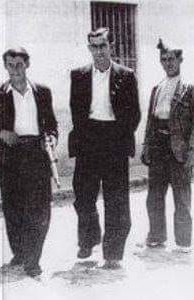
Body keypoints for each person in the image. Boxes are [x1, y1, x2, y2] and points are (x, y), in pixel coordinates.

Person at [0, 47, 58, 278]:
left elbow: (51, 124)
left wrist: (51, 138)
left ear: (27, 65)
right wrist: (0, 133)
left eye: (19, 65)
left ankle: (34, 259)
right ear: (5, 66)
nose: (15, 70)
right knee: (13, 209)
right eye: (10, 65)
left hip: (36, 153)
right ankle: (21, 253)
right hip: (10, 155)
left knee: (40, 209)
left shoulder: (42, 92)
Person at [68, 28, 141, 269]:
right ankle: (88, 239)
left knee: (116, 199)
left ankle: (113, 252)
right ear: (89, 48)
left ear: (111, 47)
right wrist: (82, 138)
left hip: (115, 140)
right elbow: (76, 111)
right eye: (94, 46)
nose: (98, 51)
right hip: (88, 139)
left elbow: (134, 114)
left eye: (102, 46)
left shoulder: (126, 75)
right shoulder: (78, 75)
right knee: (83, 197)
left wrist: (119, 137)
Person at [141, 39, 193, 253]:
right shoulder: (157, 88)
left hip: (178, 147)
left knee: (181, 196)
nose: (167, 63)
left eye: (171, 59)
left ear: (180, 60)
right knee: (154, 194)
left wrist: (191, 150)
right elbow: (150, 120)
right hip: (158, 145)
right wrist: (145, 145)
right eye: (163, 59)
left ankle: (182, 242)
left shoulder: (189, 88)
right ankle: (156, 236)